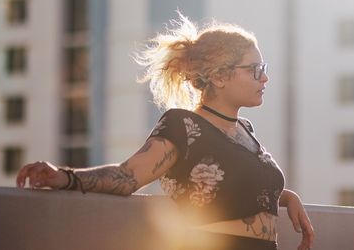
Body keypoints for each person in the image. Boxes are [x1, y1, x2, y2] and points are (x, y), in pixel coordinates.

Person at [16, 15, 314, 250]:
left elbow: (235, 186)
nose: (265, 77)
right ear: (220, 76)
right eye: (255, 69)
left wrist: (286, 197)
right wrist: (65, 177)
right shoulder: (183, 126)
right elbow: (127, 176)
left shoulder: (245, 131)